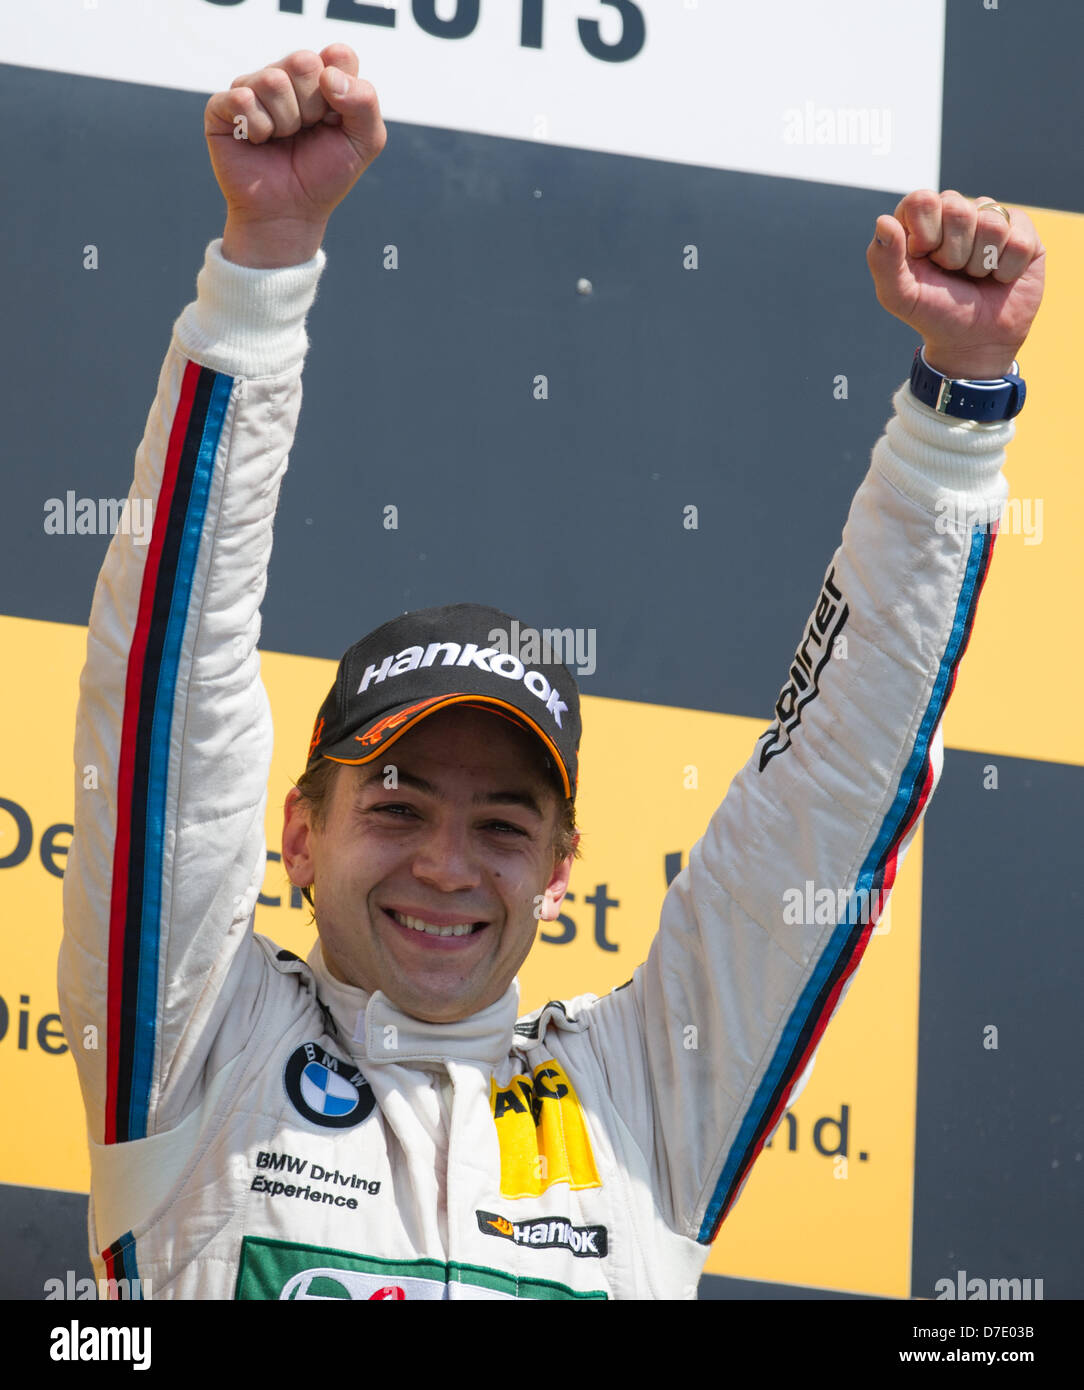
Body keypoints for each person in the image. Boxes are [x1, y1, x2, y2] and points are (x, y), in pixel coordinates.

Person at [58, 44, 1046, 1301]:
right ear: (298, 835)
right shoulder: (193, 1048)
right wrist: (264, 266)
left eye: (503, 824)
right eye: (397, 805)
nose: (445, 863)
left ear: (562, 871)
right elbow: (167, 700)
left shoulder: (647, 1093)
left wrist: (953, 415)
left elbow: (836, 790)